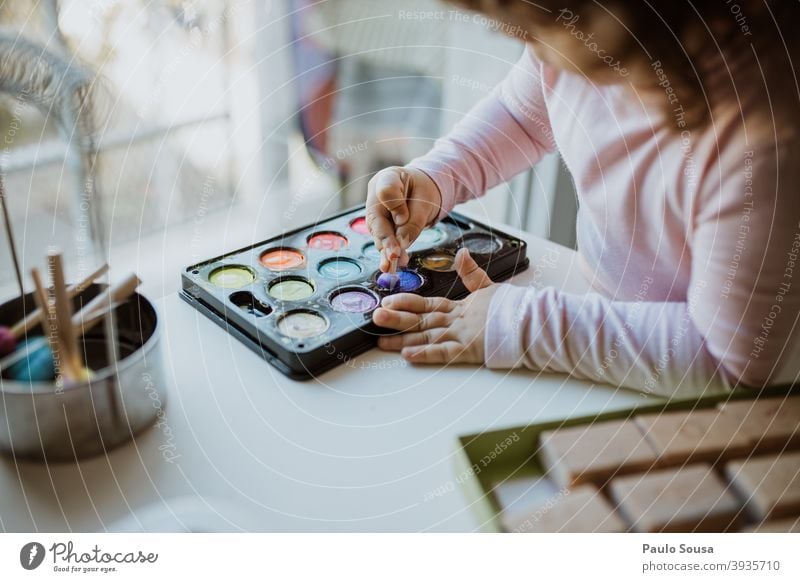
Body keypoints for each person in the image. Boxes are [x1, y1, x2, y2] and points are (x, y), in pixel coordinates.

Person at [366, 0, 800, 396]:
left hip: (715, 397)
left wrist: (516, 324)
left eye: (538, 23)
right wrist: (436, 176)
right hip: (602, 329)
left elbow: (727, 360)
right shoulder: (568, 49)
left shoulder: (765, 147)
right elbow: (522, 118)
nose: (514, 35)